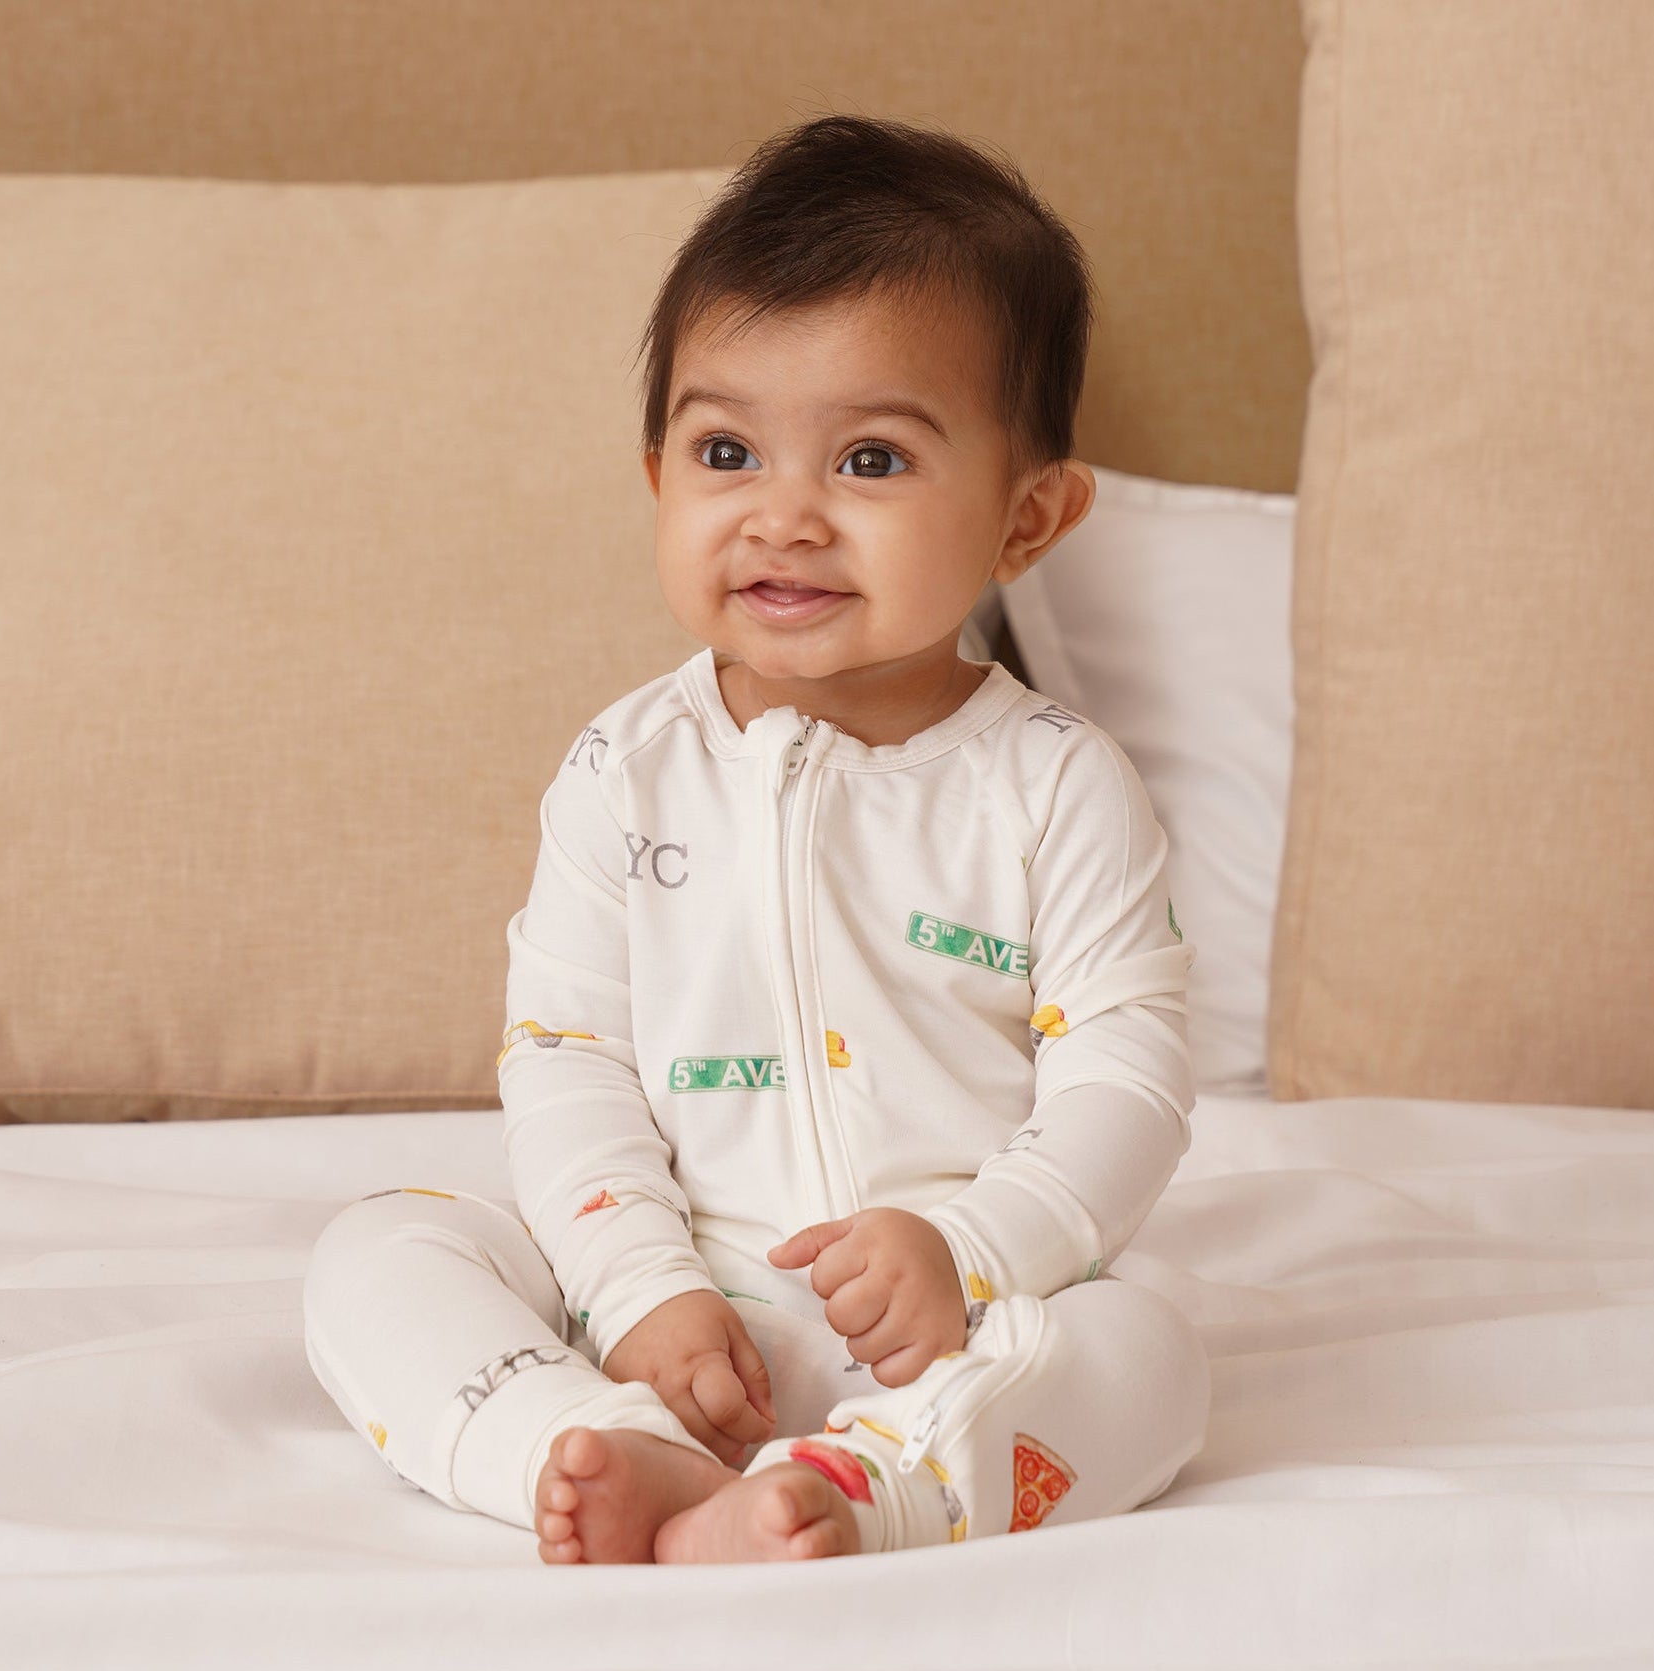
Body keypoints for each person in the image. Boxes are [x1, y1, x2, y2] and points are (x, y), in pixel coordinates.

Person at [303, 112, 1211, 1565]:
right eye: (727, 447)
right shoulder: (624, 771)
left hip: (951, 1318)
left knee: (1150, 1350)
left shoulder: (1054, 785)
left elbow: (1129, 1074)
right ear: (659, 475)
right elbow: (568, 1057)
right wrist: (640, 1288)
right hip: (665, 1312)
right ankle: (596, 1454)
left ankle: (872, 1490)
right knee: (379, 1247)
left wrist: (974, 1250)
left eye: (868, 460)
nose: (782, 515)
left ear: (1027, 517)